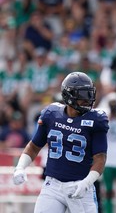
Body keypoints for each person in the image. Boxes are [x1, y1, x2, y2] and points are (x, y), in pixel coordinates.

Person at [12, 72, 109, 213]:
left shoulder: (96, 120)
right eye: (82, 95)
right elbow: (33, 147)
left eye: (89, 94)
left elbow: (100, 158)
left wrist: (87, 182)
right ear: (68, 95)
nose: (87, 99)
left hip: (80, 185)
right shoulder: (51, 114)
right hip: (52, 185)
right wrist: (20, 167)